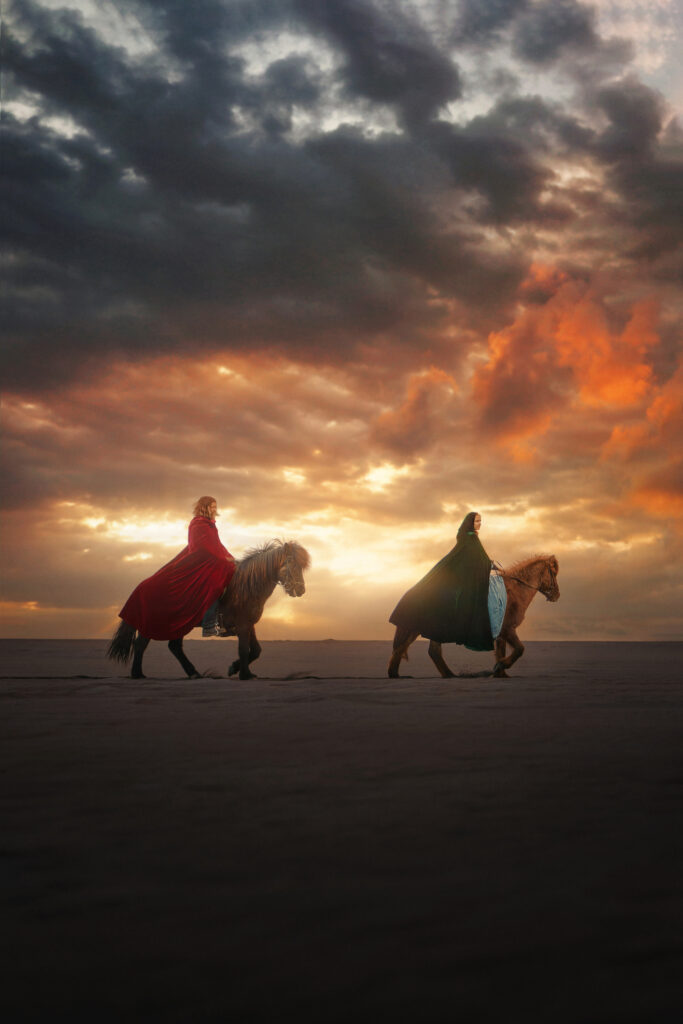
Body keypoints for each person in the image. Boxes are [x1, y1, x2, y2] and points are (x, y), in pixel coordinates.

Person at [118, 496, 235, 641]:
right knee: (214, 584)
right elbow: (202, 547)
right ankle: (210, 624)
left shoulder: (210, 524)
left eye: (215, 507)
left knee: (231, 570)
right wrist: (221, 557)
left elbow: (218, 545)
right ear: (204, 507)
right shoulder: (198, 524)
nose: (214, 510)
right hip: (200, 561)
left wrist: (228, 557)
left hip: (211, 560)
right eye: (212, 507)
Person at [389, 511, 495, 651]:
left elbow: (473, 560)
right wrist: (493, 566)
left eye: (480, 521)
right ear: (470, 523)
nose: (479, 524)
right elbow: (480, 560)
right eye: (476, 521)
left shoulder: (464, 538)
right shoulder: (471, 539)